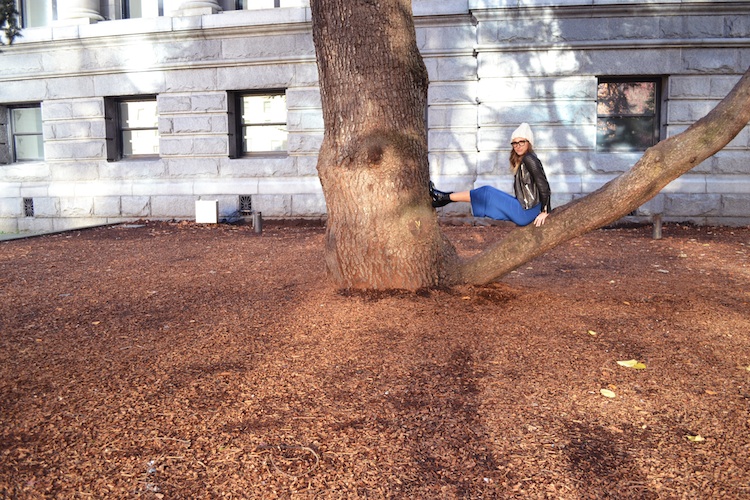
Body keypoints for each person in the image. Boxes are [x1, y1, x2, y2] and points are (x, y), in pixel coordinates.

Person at [429, 123, 551, 227]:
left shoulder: (530, 159)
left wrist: (545, 211)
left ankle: (444, 198)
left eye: (521, 142)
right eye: (514, 143)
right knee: (485, 195)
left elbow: (543, 186)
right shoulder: (525, 159)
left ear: (528, 143)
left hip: (526, 211)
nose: (517, 146)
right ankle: (443, 199)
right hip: (525, 208)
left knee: (486, 192)